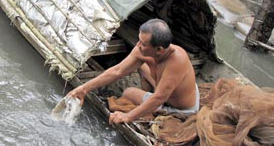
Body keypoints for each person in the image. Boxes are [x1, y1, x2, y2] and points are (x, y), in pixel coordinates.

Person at [68, 18, 199, 125]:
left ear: (159, 50)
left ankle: (148, 107)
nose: (137, 45)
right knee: (141, 66)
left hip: (181, 109)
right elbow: (117, 71)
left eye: (143, 44)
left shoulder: (177, 60)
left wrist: (128, 116)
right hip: (164, 88)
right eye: (139, 40)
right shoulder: (142, 50)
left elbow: (159, 98)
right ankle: (147, 100)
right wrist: (84, 89)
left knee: (128, 93)